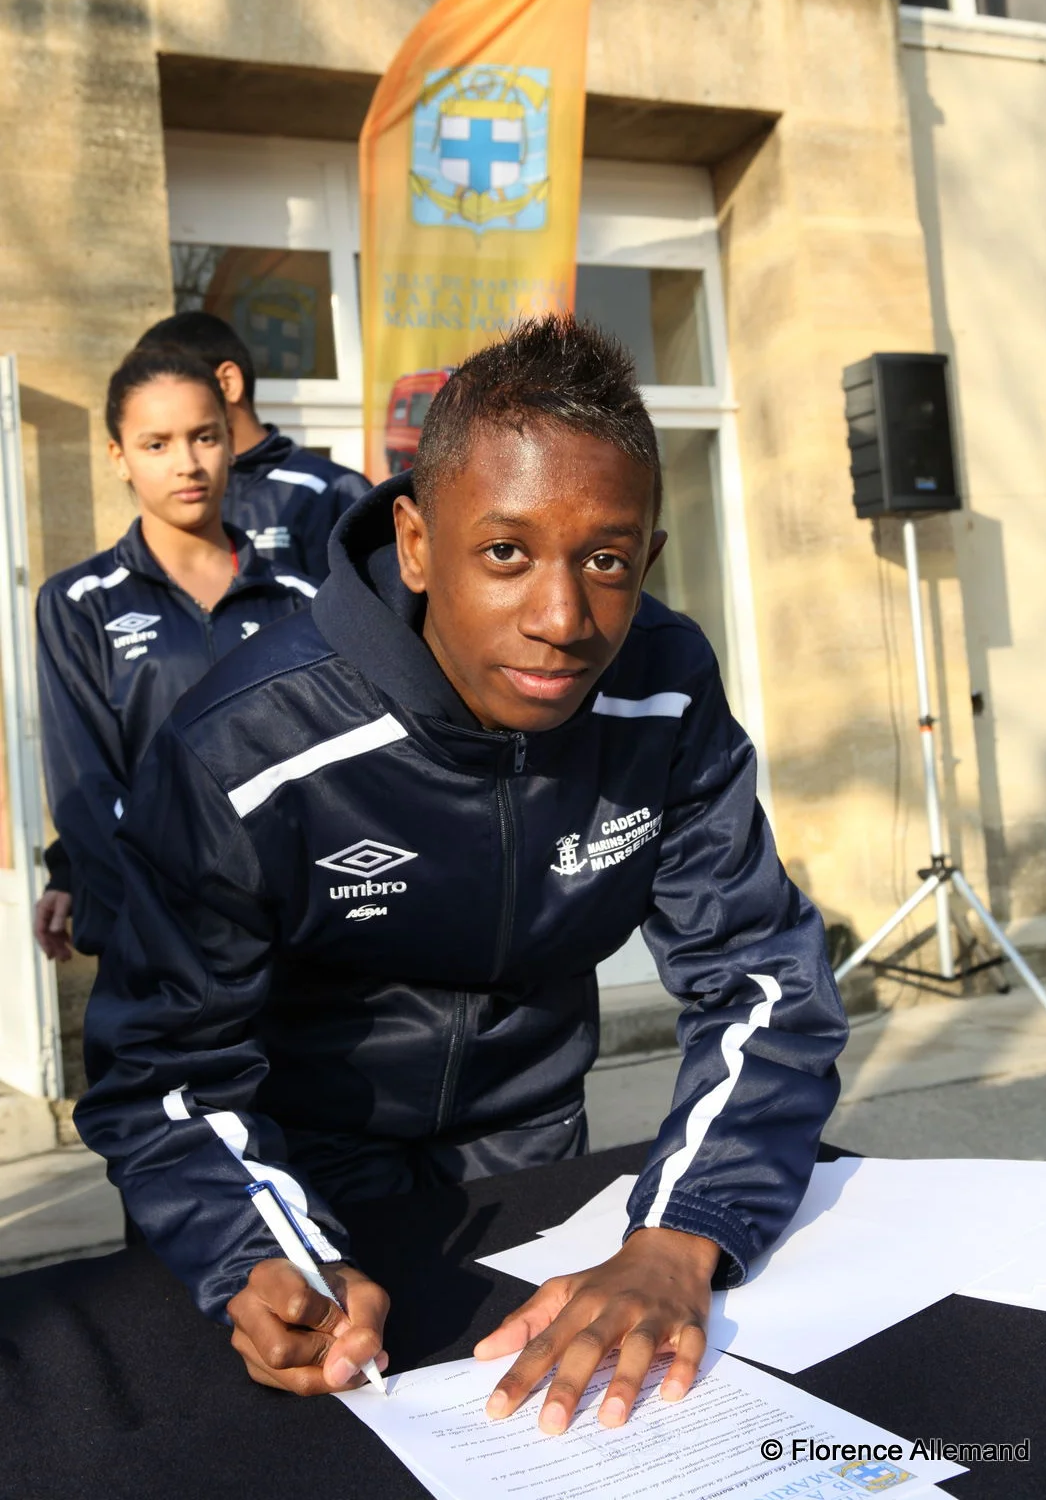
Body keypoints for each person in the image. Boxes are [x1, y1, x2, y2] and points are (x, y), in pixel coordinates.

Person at [75, 316, 848, 1433]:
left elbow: (763, 978)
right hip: (284, 1176)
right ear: (417, 539)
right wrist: (262, 1250)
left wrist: (683, 1236)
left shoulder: (664, 689)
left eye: (606, 561)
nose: (559, 619)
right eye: (504, 552)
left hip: (533, 1171)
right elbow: (162, 1071)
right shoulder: (240, 747)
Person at [35, 346, 318, 964]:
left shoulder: (302, 602)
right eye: (156, 444)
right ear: (119, 458)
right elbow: (84, 789)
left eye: (204, 437)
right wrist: (164, 925)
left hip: (288, 950)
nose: (187, 464)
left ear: (229, 443)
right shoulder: (79, 604)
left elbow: (326, 781)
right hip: (152, 950)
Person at [137, 311, 370, 582]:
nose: (157, 402)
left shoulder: (335, 491)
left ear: (227, 383)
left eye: (173, 383)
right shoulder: (178, 493)